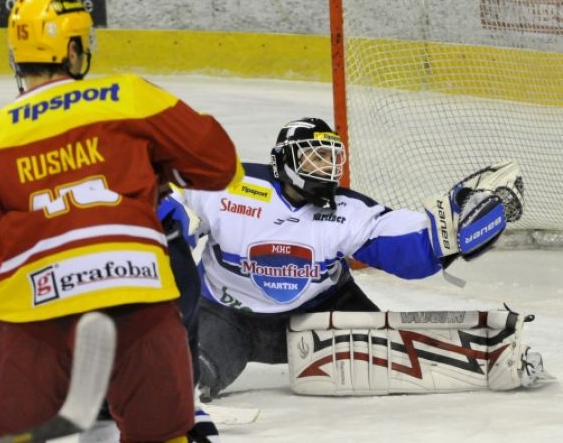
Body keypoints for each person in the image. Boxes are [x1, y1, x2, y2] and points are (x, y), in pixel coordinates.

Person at [0, 0, 243, 442]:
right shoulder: (129, 98)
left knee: (4, 437)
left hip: (33, 316)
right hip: (136, 295)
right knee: (164, 434)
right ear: (72, 50)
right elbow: (221, 167)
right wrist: (158, 168)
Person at [166, 117, 525, 400]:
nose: (328, 168)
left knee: (400, 358)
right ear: (285, 159)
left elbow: (410, 247)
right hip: (226, 316)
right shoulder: (224, 186)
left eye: (332, 159)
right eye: (316, 156)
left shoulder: (349, 211)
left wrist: (453, 234)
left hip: (323, 315)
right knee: (188, 377)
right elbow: (168, 204)